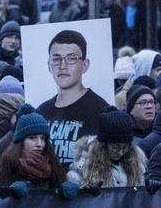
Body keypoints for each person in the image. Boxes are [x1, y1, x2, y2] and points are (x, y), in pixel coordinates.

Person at [37, 30, 109, 165]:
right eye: (56, 59)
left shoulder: (101, 111)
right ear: (49, 65)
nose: (63, 66)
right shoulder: (41, 112)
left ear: (85, 65)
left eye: (71, 58)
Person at [68, 107, 147, 188]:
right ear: (103, 145)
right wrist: (84, 190)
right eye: (115, 147)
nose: (121, 153)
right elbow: (74, 187)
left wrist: (149, 188)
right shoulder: (84, 162)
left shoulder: (135, 161)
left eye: (125, 147)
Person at [0, 104, 66, 189]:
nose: (39, 144)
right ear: (21, 140)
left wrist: (64, 192)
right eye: (32, 138)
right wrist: (10, 193)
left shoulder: (53, 163)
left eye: (43, 138)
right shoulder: (10, 164)